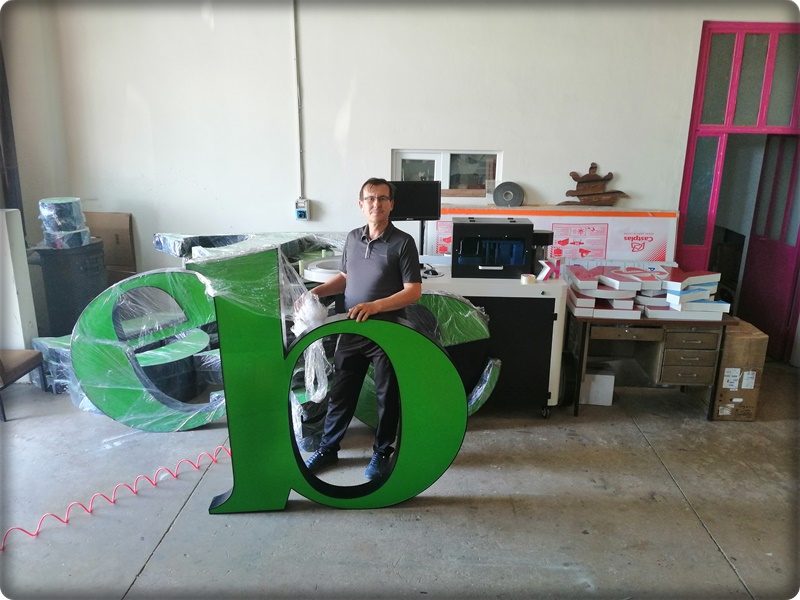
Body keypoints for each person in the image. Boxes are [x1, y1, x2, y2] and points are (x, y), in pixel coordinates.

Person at [302, 177, 422, 480]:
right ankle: (328, 448)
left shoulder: (403, 242)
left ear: (391, 204)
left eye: (382, 198)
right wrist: (315, 292)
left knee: (387, 396)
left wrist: (376, 306)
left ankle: (382, 452)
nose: (376, 204)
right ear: (361, 204)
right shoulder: (353, 238)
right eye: (370, 198)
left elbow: (413, 291)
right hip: (352, 328)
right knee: (341, 392)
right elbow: (345, 277)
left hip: (388, 331)